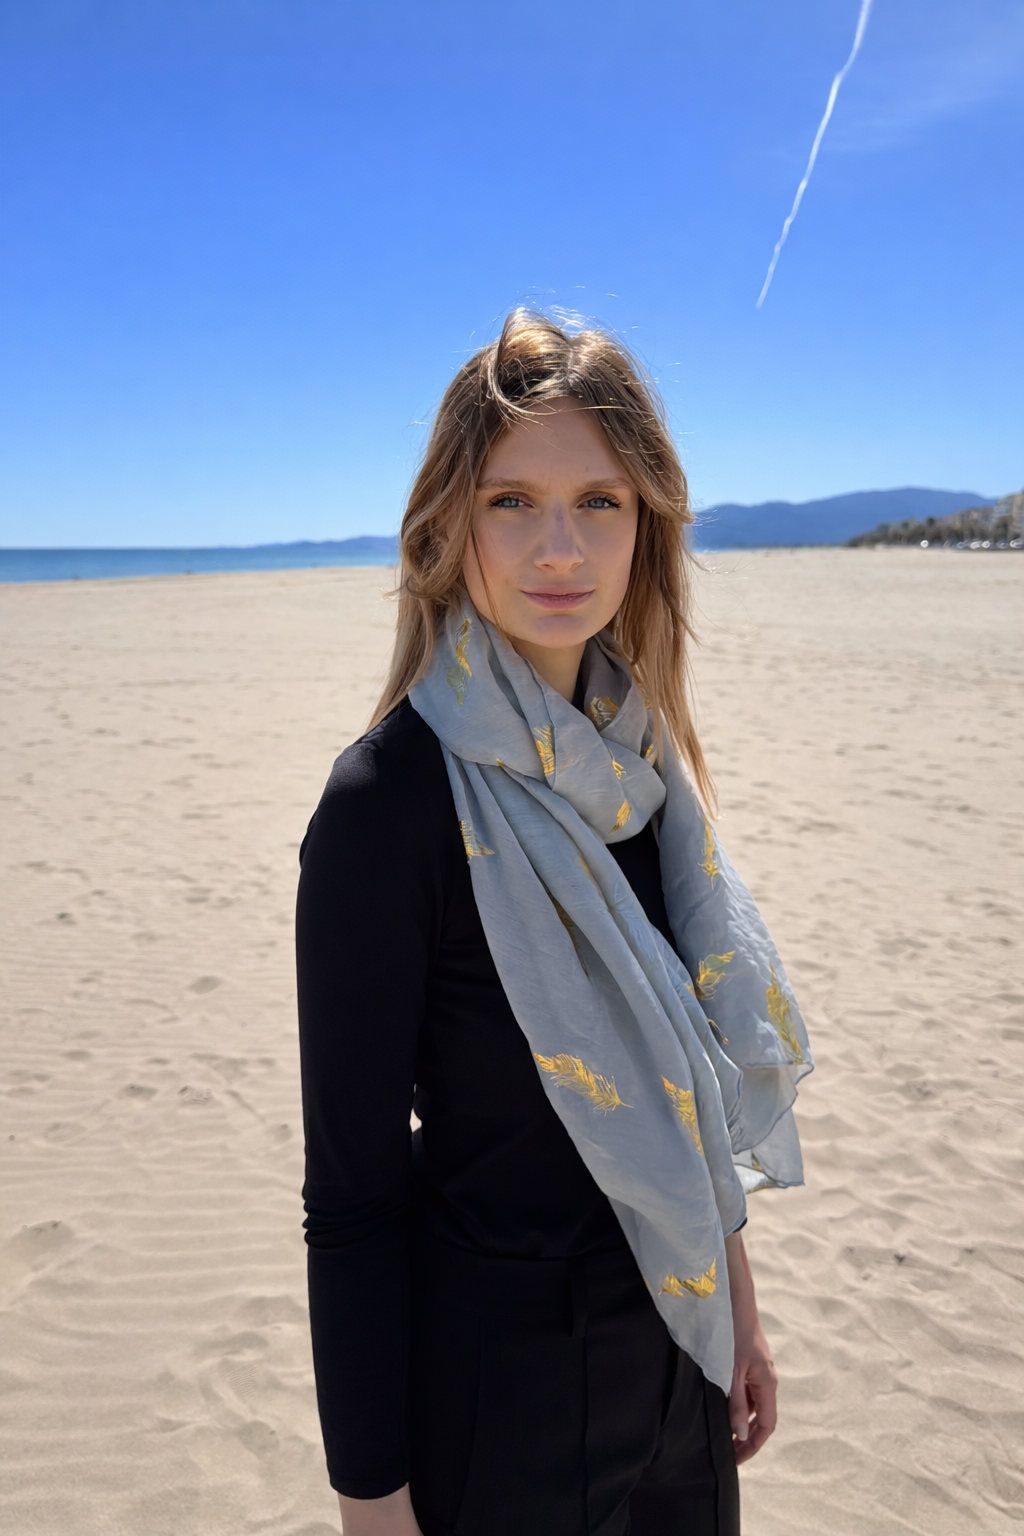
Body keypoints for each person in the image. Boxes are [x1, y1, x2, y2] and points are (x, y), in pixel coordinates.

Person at [296, 310, 813, 1536]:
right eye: (512, 502)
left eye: (599, 501)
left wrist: (736, 1308)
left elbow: (684, 1081)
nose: (559, 547)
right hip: (502, 1391)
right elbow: (352, 1196)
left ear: (647, 527)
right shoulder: (386, 806)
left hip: (679, 1356)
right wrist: (370, 1503)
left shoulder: (641, 774)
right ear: (449, 525)